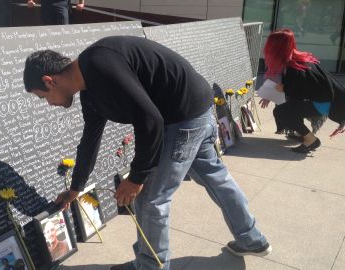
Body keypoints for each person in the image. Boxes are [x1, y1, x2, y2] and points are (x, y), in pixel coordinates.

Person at [23, 36, 271, 270]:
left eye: (42, 96)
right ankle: (253, 240)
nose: (49, 103)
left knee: (150, 198)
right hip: (196, 107)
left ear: (49, 81)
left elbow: (150, 121)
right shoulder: (89, 90)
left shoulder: (99, 65)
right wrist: (75, 187)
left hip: (182, 118)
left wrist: (137, 178)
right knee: (215, 177)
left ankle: (151, 266)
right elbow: (90, 140)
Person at [260, 29, 345, 153]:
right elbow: (296, 86)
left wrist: (283, 89)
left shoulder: (294, 67)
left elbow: (297, 91)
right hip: (326, 101)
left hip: (323, 104)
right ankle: (303, 134)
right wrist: (274, 93)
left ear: (276, 48)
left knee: (281, 111)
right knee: (287, 107)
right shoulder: (298, 60)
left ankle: (311, 140)